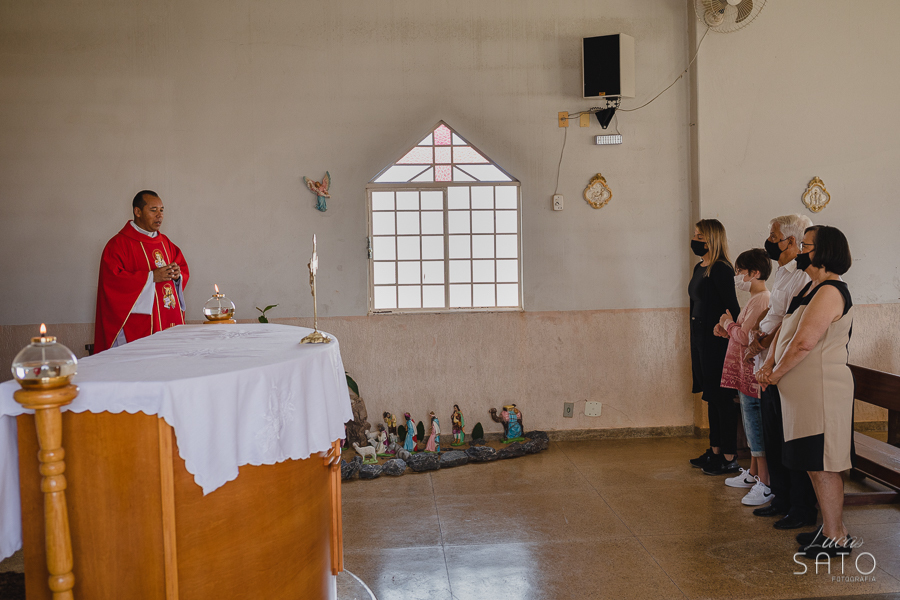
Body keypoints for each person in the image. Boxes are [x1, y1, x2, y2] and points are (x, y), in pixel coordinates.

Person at [757, 226, 854, 557]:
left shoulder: (831, 291)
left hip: (822, 392)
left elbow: (804, 343)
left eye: (805, 246)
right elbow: (786, 327)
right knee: (813, 464)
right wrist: (769, 366)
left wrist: (775, 374)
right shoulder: (811, 288)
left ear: (822, 252)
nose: (799, 251)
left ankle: (837, 536)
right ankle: (828, 529)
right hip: (802, 395)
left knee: (824, 463)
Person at [745, 215, 818, 531]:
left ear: (791, 241)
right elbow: (774, 314)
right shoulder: (784, 275)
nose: (769, 240)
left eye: (774, 236)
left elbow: (792, 325)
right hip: (767, 364)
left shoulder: (803, 277)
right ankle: (781, 498)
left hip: (783, 368)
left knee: (790, 441)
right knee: (774, 437)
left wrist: (764, 343)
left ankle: (800, 507)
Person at [94, 191, 190, 353]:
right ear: (137, 212)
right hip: (138, 326)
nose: (159, 215)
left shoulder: (165, 242)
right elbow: (112, 283)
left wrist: (177, 275)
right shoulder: (118, 245)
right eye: (153, 210)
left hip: (167, 319)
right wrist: (151, 277)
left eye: (162, 210)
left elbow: (182, 268)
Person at [717, 248, 771, 504]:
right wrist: (727, 329)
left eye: (740, 271)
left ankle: (765, 481)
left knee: (755, 424)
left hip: (752, 372)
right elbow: (741, 333)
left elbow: (745, 337)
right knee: (750, 423)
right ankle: (752, 472)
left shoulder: (762, 298)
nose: (737, 276)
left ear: (755, 273)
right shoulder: (754, 298)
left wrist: (728, 324)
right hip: (744, 370)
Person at [687, 219, 742, 475]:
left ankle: (729, 455)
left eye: (700, 236)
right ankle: (715, 450)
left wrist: (728, 330)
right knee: (711, 396)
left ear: (712, 239)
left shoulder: (721, 268)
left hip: (717, 341)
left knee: (722, 400)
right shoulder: (701, 267)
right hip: (700, 339)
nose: (696, 240)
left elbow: (733, 307)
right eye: (695, 235)